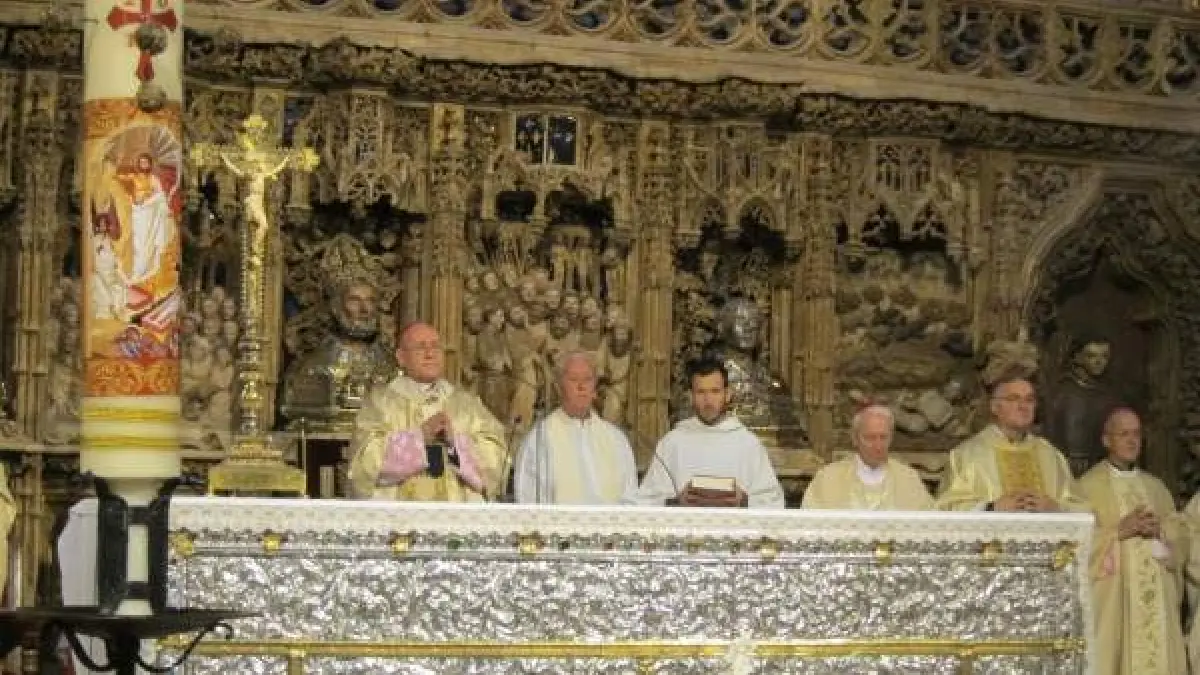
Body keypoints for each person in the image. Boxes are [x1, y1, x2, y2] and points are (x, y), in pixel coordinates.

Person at [1076, 408, 1185, 675]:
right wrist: (1117, 532)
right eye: (1124, 434)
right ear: (1106, 440)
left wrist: (1161, 532)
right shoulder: (1087, 487)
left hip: (1157, 604)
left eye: (1136, 434)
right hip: (1115, 604)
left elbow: (1181, 538)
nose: (1132, 440)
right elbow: (1077, 543)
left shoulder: (1156, 488)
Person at [347, 322, 507, 501]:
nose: (430, 354)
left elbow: (496, 462)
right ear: (401, 357)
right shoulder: (380, 403)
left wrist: (455, 444)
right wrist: (419, 437)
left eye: (436, 347)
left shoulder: (467, 405)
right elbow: (363, 464)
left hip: (455, 514)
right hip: (400, 515)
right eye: (420, 347)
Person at [636, 358, 785, 508]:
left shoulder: (748, 444)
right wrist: (676, 501)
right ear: (691, 396)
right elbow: (645, 502)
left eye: (715, 391)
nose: (708, 401)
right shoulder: (672, 443)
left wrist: (744, 500)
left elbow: (774, 503)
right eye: (701, 392)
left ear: (727, 394)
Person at [936, 370, 1087, 512]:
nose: (1023, 406)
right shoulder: (967, 455)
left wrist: (1056, 507)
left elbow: (1082, 508)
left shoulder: (1051, 455)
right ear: (994, 407)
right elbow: (947, 507)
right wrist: (991, 507)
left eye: (1029, 400)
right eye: (1013, 399)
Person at [512, 351, 637, 505]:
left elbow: (631, 498)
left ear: (594, 389)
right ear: (559, 388)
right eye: (573, 379)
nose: (581, 386)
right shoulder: (539, 440)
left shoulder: (616, 440)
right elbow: (528, 502)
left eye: (587, 379)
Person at [802, 404, 933, 510]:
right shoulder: (827, 479)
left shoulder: (908, 479)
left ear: (891, 438)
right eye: (870, 438)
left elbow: (931, 525)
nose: (878, 445)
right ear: (855, 439)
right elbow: (809, 525)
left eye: (883, 437)